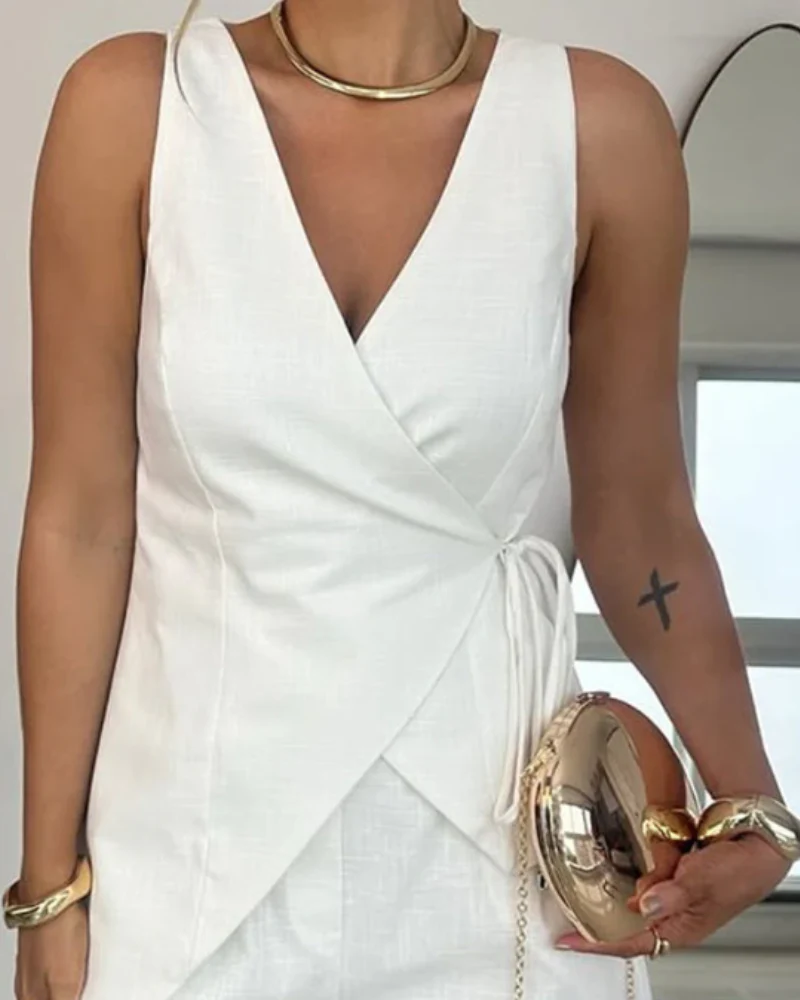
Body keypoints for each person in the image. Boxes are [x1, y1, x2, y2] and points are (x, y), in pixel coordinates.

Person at [6, 1, 796, 998]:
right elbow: (79, 521)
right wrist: (48, 890)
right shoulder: (134, 107)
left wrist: (751, 797)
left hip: (499, 871)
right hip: (190, 860)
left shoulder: (598, 129)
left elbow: (640, 515)